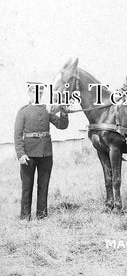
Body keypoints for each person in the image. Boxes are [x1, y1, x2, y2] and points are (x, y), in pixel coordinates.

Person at [14, 82, 69, 220]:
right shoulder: (23, 112)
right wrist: (21, 154)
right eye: (34, 93)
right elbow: (17, 135)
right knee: (27, 186)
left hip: (46, 154)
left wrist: (63, 111)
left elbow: (62, 125)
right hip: (28, 155)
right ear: (30, 93)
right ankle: (25, 216)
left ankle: (42, 215)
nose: (37, 95)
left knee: (43, 185)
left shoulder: (47, 110)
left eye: (40, 93)